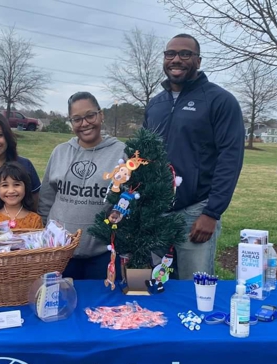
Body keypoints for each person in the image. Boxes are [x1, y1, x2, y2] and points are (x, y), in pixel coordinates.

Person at [143, 34, 245, 280]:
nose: (176, 59)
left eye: (185, 54)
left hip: (196, 212)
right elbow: (143, 155)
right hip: (156, 212)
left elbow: (230, 159)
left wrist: (211, 213)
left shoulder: (220, 101)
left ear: (198, 61)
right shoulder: (155, 104)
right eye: (170, 54)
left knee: (194, 288)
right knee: (156, 285)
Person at [38, 92, 125, 280]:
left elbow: (130, 199)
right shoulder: (60, 152)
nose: (84, 123)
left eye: (90, 115)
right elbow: (46, 199)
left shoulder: (121, 153)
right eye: (77, 119)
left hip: (103, 254)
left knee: (101, 308)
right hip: (60, 254)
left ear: (101, 115)